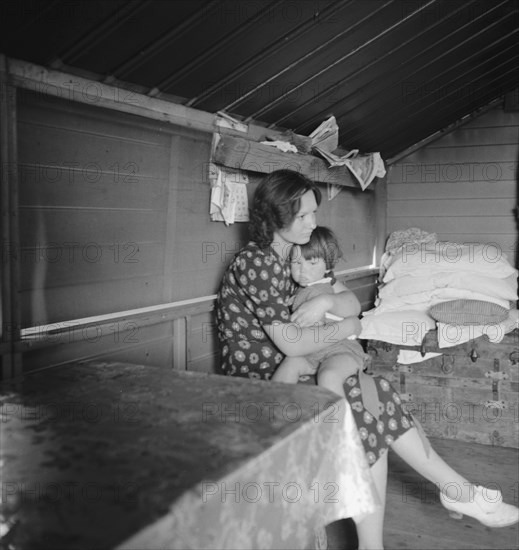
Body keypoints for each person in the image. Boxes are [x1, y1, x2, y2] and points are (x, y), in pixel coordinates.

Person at [215, 169, 519, 549]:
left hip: (304, 364)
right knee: (370, 401)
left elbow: (344, 299)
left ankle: (450, 493)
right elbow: (292, 344)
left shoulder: (291, 255)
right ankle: (451, 493)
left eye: (314, 212)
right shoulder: (257, 263)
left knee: (372, 398)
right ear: (275, 218)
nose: (313, 222)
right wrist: (346, 329)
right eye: (304, 215)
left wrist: (335, 307)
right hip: (263, 381)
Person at [272, 226, 367, 400]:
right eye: (296, 262)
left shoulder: (328, 283)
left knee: (329, 376)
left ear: (327, 265)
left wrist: (324, 302)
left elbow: (354, 306)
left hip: (340, 350)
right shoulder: (293, 289)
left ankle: (339, 425)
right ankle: (270, 414)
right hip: (310, 353)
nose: (303, 270)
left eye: (312, 263)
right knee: (289, 365)